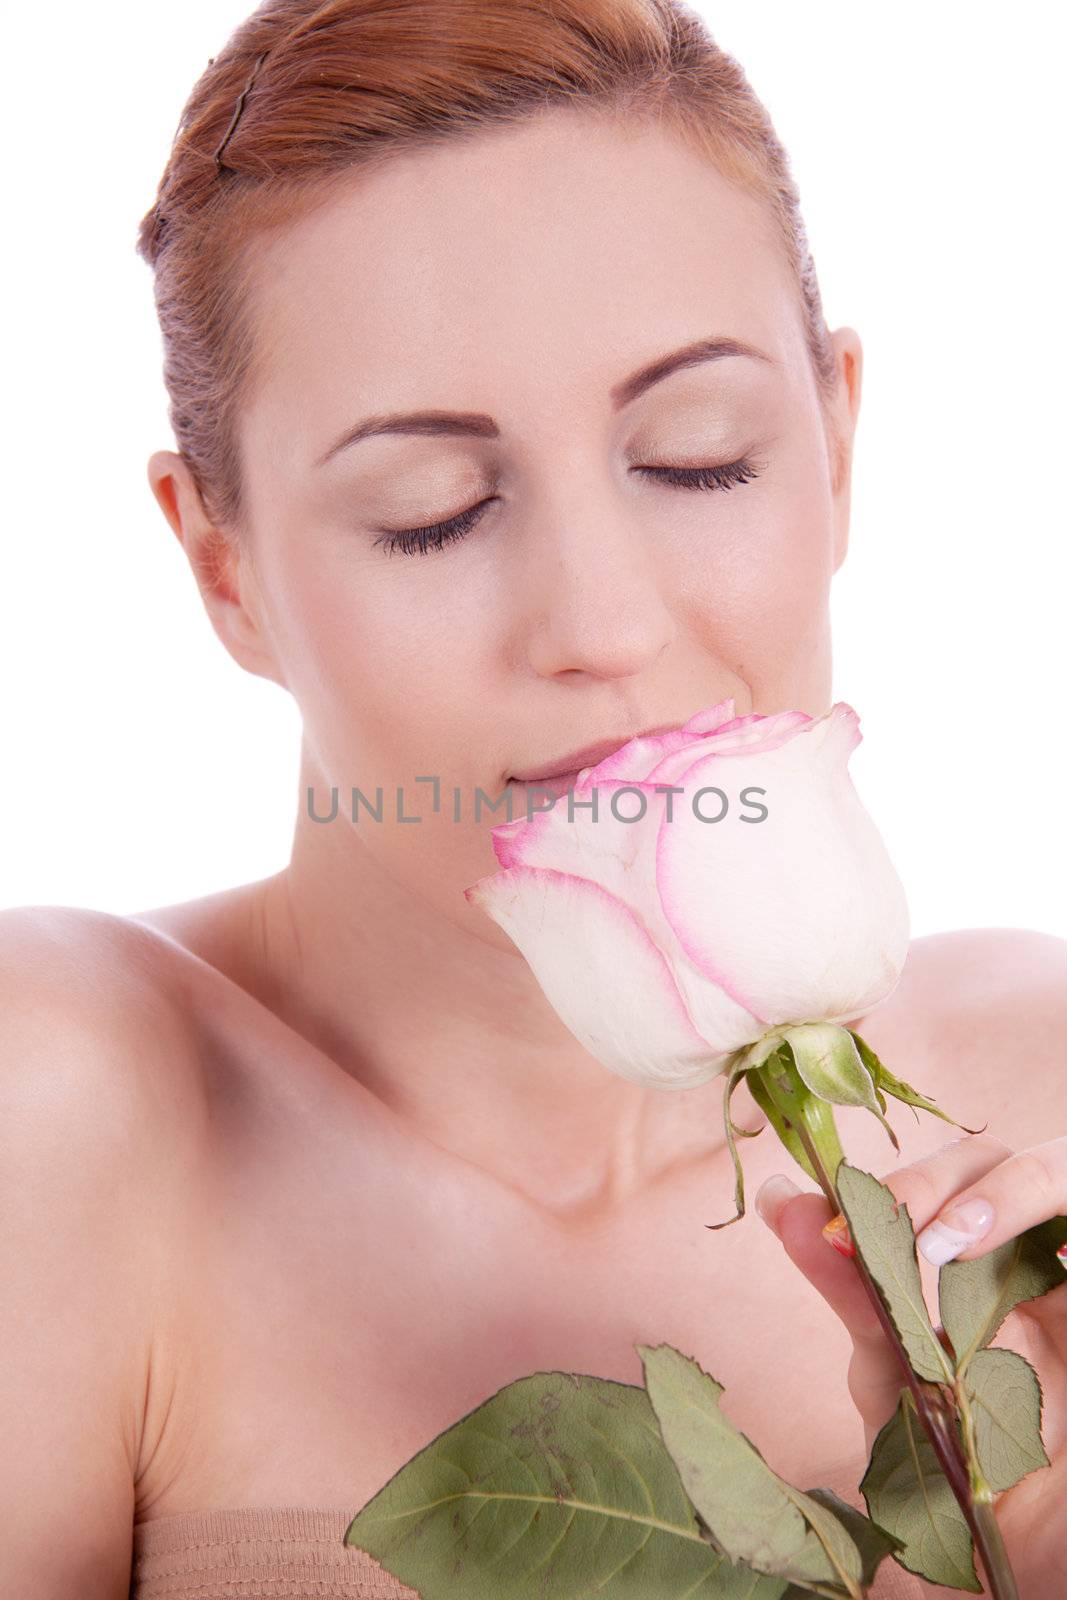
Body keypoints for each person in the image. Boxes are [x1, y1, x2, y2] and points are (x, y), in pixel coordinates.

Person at [2, 2, 1064, 1596]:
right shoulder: (68, 1112)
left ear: (837, 445)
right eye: (430, 515)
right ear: (220, 571)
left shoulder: (1043, 1106)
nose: (603, 626)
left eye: (699, 458)